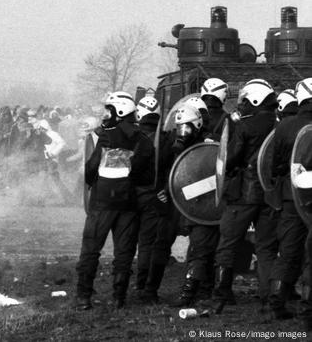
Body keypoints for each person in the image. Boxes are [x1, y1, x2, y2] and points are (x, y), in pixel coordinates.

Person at [75, 91, 152, 309]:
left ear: (119, 111)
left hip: (102, 203)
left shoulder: (106, 136)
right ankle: (119, 297)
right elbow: (147, 176)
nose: (105, 114)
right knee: (124, 252)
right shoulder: (143, 140)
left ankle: (83, 297)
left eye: (109, 110)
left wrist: (92, 182)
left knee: (91, 249)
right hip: (128, 204)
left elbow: (91, 168)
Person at [213, 79, 278, 310]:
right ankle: (269, 297)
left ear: (255, 100)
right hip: (270, 194)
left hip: (243, 194)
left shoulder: (245, 126)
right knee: (266, 247)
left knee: (227, 243)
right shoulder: (279, 124)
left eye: (246, 101)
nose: (243, 105)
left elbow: (230, 159)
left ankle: (222, 295)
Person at [270, 79, 312, 322]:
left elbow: (274, 164)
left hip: (291, 195)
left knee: (288, 250)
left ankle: (276, 300)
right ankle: (308, 306)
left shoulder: (285, 126)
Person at [169, 104, 219, 307]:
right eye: (180, 127)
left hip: (207, 206)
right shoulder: (182, 149)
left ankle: (189, 294)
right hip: (192, 205)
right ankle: (205, 290)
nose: (183, 132)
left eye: (186, 127)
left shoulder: (209, 145)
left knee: (200, 250)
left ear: (196, 125)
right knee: (202, 249)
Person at [132, 96, 163, 293]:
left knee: (126, 243)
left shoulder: (130, 137)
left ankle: (122, 287)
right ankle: (142, 284)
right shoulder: (166, 137)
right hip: (154, 197)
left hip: (130, 195)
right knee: (146, 243)